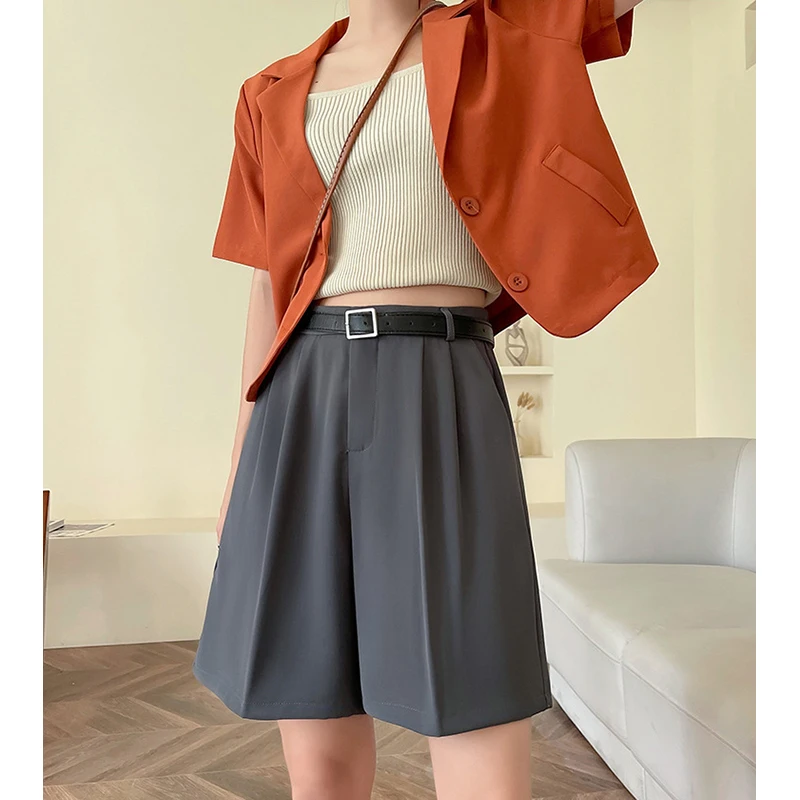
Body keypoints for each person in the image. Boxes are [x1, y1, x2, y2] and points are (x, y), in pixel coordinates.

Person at [193, 1, 654, 798]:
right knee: (314, 721)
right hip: (301, 394)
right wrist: (239, 463)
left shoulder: (500, 35)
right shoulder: (267, 93)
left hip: (439, 379)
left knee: (473, 694)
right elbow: (266, 290)